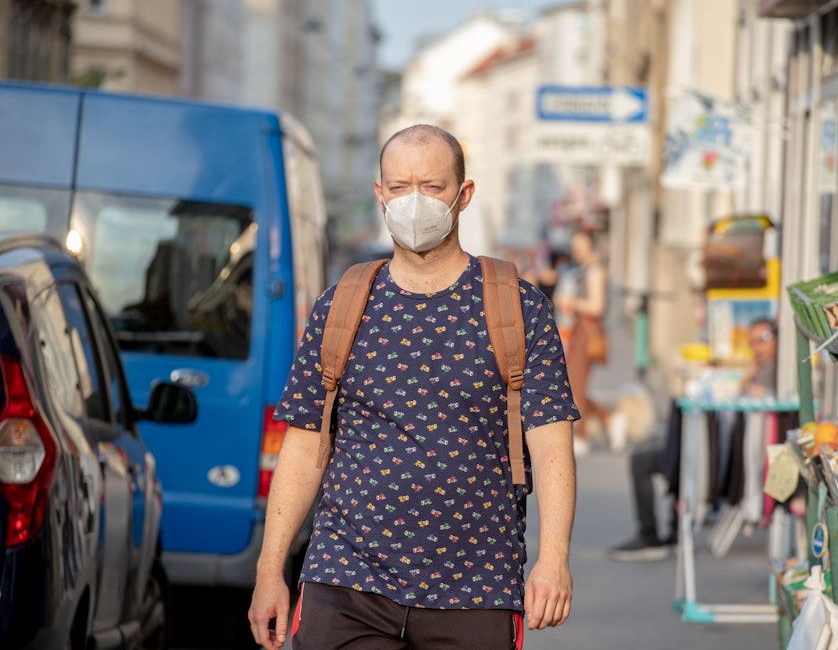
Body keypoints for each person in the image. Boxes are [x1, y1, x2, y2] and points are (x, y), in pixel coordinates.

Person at [248, 124, 579, 650]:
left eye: (432, 187)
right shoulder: (341, 305)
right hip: (346, 579)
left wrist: (553, 558)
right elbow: (305, 441)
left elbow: (552, 443)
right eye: (400, 188)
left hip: (478, 588)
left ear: (463, 195)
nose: (414, 203)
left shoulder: (518, 308)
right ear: (380, 195)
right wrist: (270, 570)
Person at [607, 317, 778, 561]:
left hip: (732, 459)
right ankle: (664, 532)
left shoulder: (778, 373)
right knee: (664, 452)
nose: (757, 348)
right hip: (717, 449)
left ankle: (655, 534)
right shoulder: (758, 370)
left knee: (660, 457)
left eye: (763, 339)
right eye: (752, 342)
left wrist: (746, 381)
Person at [557, 230, 609, 456]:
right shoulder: (582, 269)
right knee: (574, 382)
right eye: (574, 245)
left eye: (580, 245)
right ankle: (610, 419)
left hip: (588, 329)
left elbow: (598, 306)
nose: (576, 250)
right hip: (578, 328)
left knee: (576, 384)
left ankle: (582, 436)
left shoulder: (595, 269)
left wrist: (572, 302)